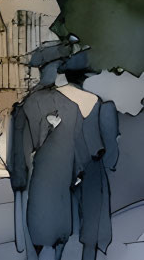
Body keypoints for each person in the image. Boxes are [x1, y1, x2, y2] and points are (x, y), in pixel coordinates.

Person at [9, 41, 86, 260]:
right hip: (62, 186)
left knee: (40, 239)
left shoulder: (27, 105)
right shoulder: (72, 105)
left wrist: (19, 180)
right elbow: (79, 153)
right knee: (59, 237)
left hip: (39, 185)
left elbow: (21, 156)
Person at [61, 50, 119, 260]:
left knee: (64, 226)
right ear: (87, 77)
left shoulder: (57, 103)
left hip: (62, 168)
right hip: (92, 169)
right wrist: (109, 163)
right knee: (91, 226)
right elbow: (110, 147)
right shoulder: (99, 104)